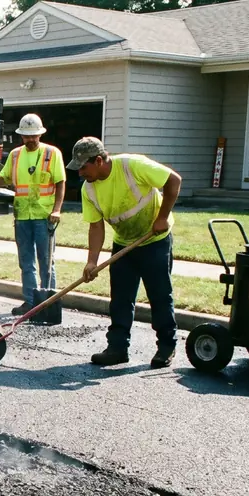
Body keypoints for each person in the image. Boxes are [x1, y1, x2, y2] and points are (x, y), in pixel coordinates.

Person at [67, 137, 182, 369]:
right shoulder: (88, 189)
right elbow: (96, 226)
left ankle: (166, 346)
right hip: (124, 244)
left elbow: (173, 180)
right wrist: (91, 262)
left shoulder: (132, 166)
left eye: (83, 167)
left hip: (154, 241)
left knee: (160, 295)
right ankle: (117, 348)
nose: (80, 173)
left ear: (99, 161)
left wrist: (162, 218)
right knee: (120, 299)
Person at [0, 113, 66, 316]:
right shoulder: (16, 155)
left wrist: (57, 209)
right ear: (21, 136)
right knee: (26, 262)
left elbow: (60, 183)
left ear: (40, 134)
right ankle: (31, 303)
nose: (30, 139)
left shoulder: (52, 154)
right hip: (23, 216)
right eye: (27, 136)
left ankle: (47, 304)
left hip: (44, 217)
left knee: (46, 262)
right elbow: (4, 178)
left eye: (34, 135)